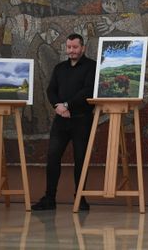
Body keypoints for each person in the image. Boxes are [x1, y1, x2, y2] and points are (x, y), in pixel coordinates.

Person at [32, 33, 96, 211]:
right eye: (69, 47)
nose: (72, 51)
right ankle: (49, 198)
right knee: (52, 157)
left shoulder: (91, 66)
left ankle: (81, 199)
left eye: (75, 47)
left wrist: (68, 105)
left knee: (81, 160)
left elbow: (88, 90)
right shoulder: (60, 68)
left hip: (82, 120)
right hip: (61, 120)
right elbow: (51, 89)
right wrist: (58, 107)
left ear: (82, 48)